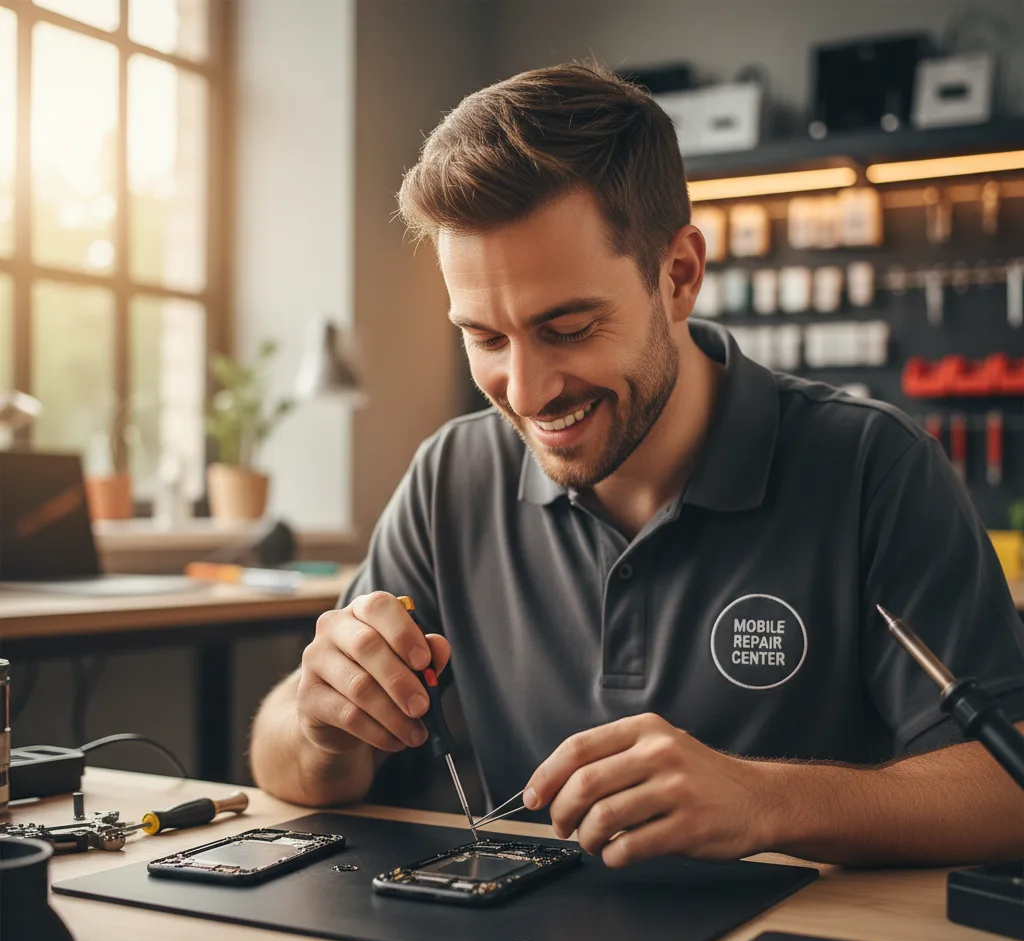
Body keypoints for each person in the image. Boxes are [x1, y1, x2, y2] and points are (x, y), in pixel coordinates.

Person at [251, 63, 1024, 867]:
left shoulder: (875, 466)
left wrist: (766, 802)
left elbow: (1010, 791)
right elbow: (289, 758)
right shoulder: (453, 474)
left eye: (570, 327)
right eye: (485, 337)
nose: (525, 391)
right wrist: (319, 723)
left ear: (680, 274)